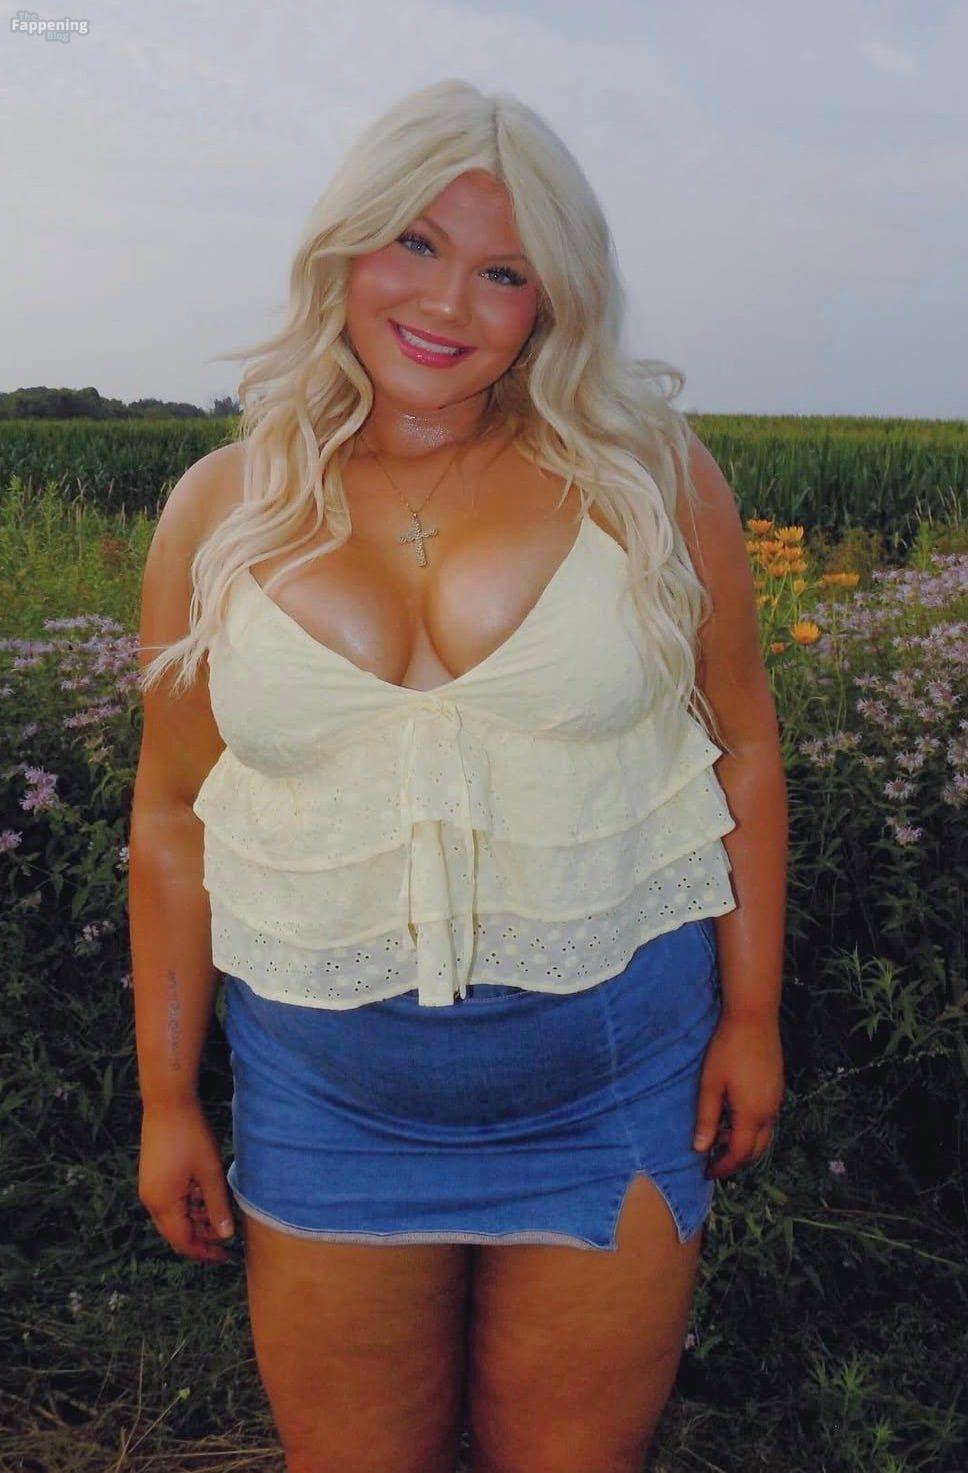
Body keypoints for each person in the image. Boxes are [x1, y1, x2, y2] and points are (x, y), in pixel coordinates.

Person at [130, 79, 786, 1473]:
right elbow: (173, 815)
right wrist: (168, 1095)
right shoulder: (220, 511)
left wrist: (751, 1014)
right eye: (415, 244)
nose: (449, 302)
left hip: (615, 1081)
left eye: (505, 270)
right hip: (326, 1103)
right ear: (344, 247)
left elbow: (742, 742)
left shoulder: (652, 482)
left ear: (553, 300)